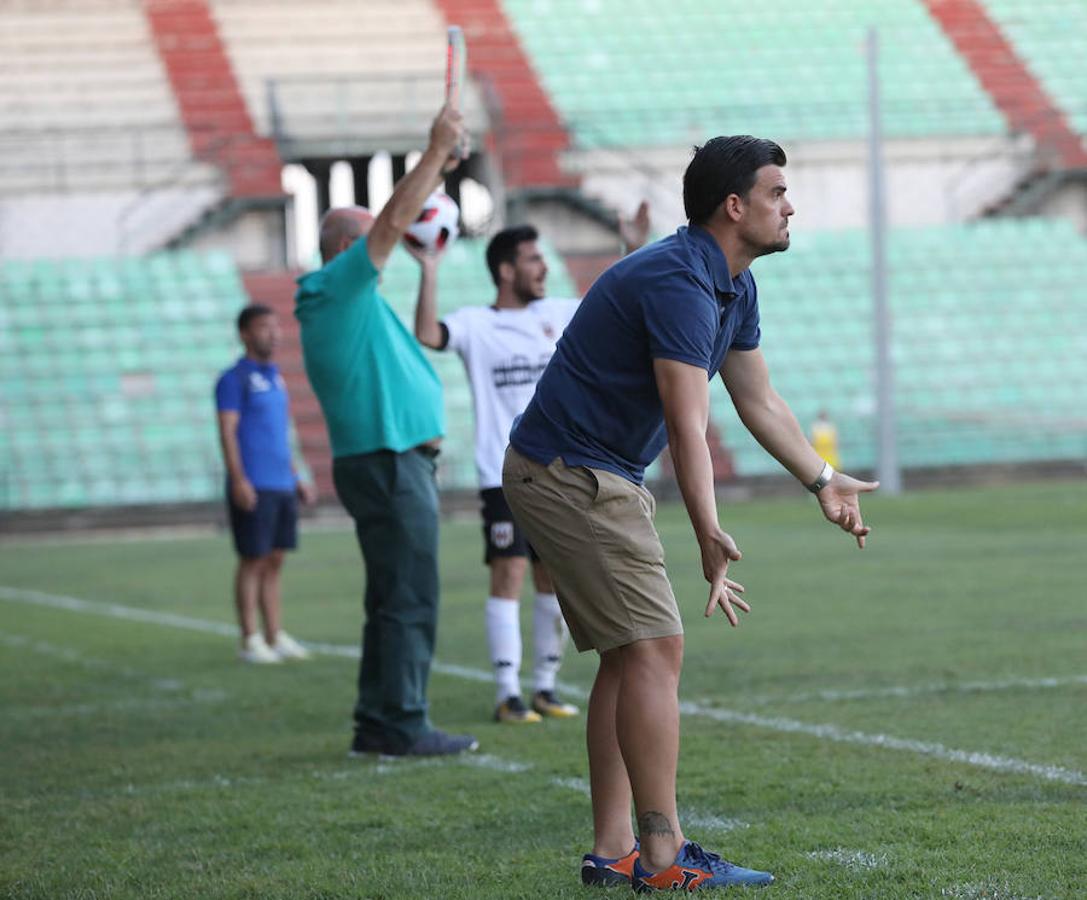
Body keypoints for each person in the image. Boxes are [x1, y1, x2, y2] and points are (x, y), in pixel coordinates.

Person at [502, 136, 879, 891]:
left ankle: (613, 853)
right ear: (733, 207)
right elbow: (686, 420)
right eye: (777, 192)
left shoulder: (730, 285)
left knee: (628, 654)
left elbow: (757, 401)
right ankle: (663, 860)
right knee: (654, 650)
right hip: (573, 474)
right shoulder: (678, 280)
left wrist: (821, 477)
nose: (789, 205)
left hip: (578, 471)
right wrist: (706, 530)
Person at [411, 210, 649, 725]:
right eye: (533, 260)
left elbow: (621, 307)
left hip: (557, 470)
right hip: (501, 472)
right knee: (508, 573)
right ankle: (505, 691)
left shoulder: (561, 313)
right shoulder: (477, 324)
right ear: (505, 271)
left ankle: (543, 686)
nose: (544, 268)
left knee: (552, 582)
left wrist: (631, 247)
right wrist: (428, 268)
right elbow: (427, 333)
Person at [294, 104, 478, 758]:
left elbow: (397, 224)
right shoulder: (334, 287)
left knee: (391, 597)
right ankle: (400, 722)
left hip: (391, 461)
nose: (392, 249)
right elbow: (395, 218)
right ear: (349, 249)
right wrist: (432, 154)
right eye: (376, 242)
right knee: (408, 597)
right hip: (389, 462)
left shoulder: (350, 302)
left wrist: (440, 166)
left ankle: (379, 720)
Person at [215, 304, 316, 664]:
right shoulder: (233, 379)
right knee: (252, 560)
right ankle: (249, 639)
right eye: (263, 327)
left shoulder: (275, 376)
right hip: (253, 484)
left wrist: (296, 475)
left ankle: (275, 635)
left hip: (281, 483)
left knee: (275, 560)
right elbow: (227, 431)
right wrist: (239, 479)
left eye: (275, 327)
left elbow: (279, 434)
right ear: (244, 333)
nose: (272, 334)